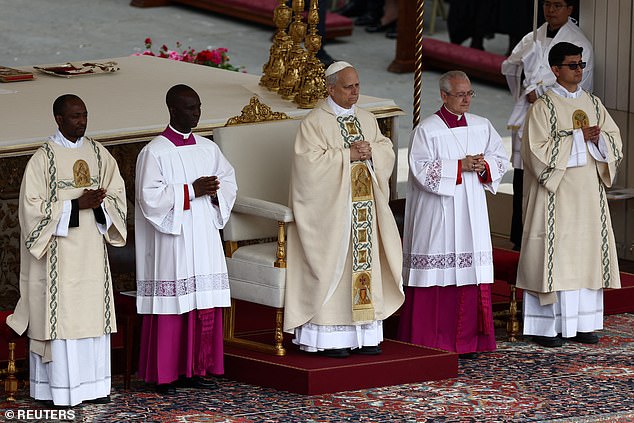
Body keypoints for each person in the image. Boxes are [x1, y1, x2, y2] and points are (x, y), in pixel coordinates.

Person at [7, 94, 127, 406]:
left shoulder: (99, 154)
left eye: (84, 115)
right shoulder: (42, 159)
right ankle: (57, 391)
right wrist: (75, 204)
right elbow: (30, 209)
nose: (82, 121)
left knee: (91, 317)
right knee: (62, 320)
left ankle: (94, 388)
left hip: (92, 253)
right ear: (59, 119)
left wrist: (102, 204)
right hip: (57, 255)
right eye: (75, 116)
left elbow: (117, 192)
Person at [284, 61, 404, 358]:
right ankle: (329, 338)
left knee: (365, 266)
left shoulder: (366, 118)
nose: (355, 92)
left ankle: (364, 335)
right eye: (348, 87)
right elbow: (307, 167)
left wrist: (373, 152)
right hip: (331, 214)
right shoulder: (314, 122)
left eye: (358, 85)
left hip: (364, 211)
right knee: (334, 267)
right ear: (331, 88)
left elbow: (385, 148)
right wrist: (346, 155)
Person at [397, 71, 509, 359]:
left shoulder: (482, 126)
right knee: (438, 273)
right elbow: (420, 169)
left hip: (471, 211)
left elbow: (500, 157)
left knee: (469, 272)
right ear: (444, 96)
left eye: (470, 94)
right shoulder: (427, 130)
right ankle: (431, 342)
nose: (466, 100)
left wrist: (485, 166)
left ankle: (467, 341)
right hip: (439, 214)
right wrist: (459, 166)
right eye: (460, 94)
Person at [517, 42, 622, 348]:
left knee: (585, 254)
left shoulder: (593, 103)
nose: (578, 70)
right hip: (557, 194)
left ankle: (584, 324)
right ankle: (546, 328)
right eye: (572, 65)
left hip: (588, 194)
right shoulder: (543, 108)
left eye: (580, 65)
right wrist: (577, 138)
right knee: (556, 256)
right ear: (555, 69)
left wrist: (599, 140)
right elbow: (534, 151)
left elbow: (614, 141)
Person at [135, 84, 237, 393]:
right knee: (173, 304)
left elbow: (229, 181)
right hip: (173, 239)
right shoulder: (154, 152)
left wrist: (217, 191)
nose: (196, 113)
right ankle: (164, 374)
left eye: (199, 107)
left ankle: (198, 368)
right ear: (173, 110)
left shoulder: (208, 148)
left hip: (204, 233)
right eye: (190, 108)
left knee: (202, 301)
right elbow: (148, 198)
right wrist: (192, 190)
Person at [502, 0, 593, 251]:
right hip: (531, 115)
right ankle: (520, 239)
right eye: (547, 5)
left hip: (557, 124)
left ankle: (550, 240)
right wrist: (525, 85)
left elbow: (579, 86)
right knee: (523, 177)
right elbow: (509, 68)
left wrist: (541, 91)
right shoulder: (533, 37)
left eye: (557, 5)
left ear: (570, 9)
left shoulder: (579, 42)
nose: (550, 10)